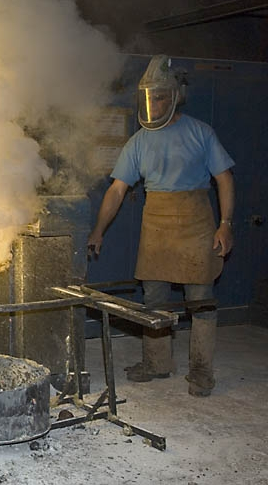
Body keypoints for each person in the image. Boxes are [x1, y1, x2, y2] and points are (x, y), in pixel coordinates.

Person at [87, 55, 235, 398]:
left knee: (200, 301)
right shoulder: (139, 141)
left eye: (161, 97)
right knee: (154, 299)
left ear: (176, 96)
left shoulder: (200, 132)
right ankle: (157, 363)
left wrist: (225, 224)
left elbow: (225, 179)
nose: (154, 104)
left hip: (197, 223)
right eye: (150, 97)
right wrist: (98, 230)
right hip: (156, 225)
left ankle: (201, 371)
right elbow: (117, 190)